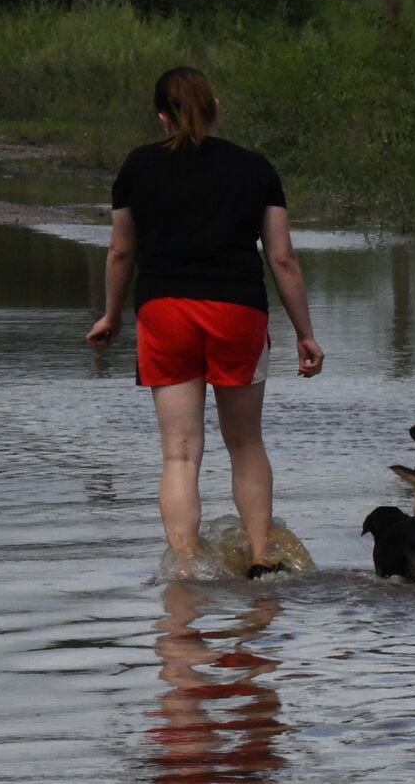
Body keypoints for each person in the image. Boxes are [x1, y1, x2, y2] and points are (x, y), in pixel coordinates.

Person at [86, 67, 323, 579]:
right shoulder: (256, 169)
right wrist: (305, 332)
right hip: (237, 310)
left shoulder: (137, 167)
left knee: (180, 452)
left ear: (161, 116)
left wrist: (110, 313)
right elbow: (282, 259)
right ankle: (261, 553)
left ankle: (188, 566)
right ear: (214, 106)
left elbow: (121, 249)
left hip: (165, 310)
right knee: (245, 442)